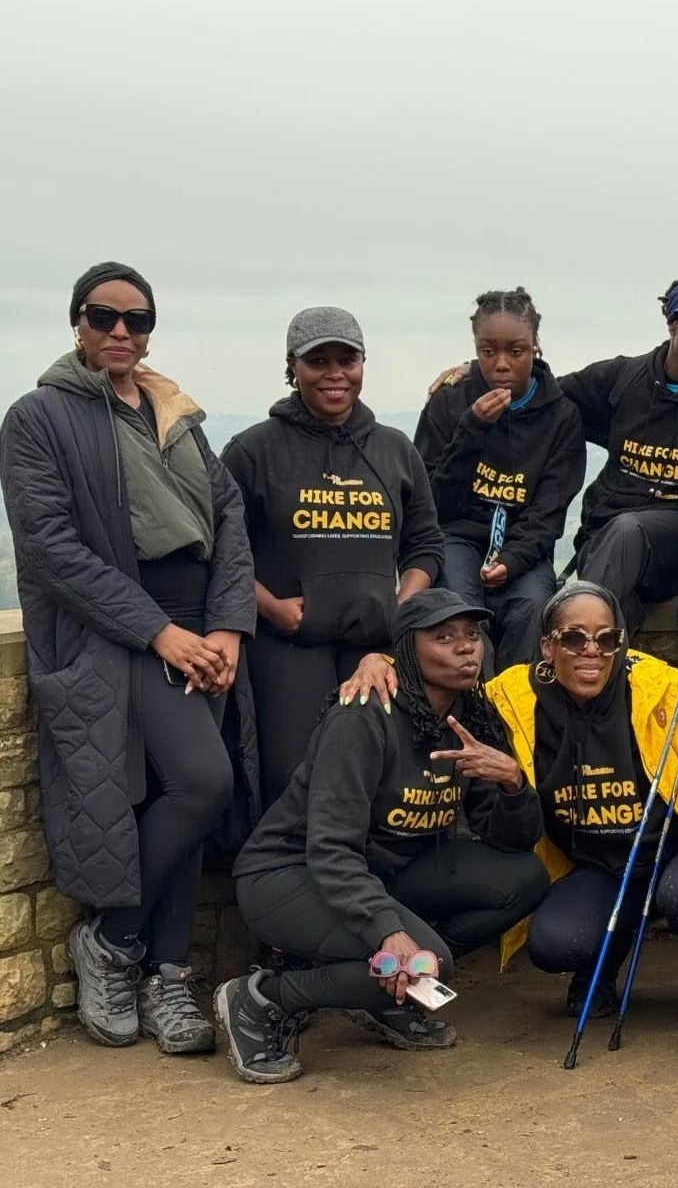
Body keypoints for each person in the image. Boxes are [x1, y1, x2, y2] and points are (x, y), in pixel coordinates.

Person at [0, 261, 256, 1055]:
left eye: (136, 319)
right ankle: (112, 940)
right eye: (102, 315)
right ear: (76, 322)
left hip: (199, 628)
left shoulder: (174, 410)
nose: (120, 331)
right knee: (204, 782)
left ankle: (166, 974)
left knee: (183, 796)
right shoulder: (39, 416)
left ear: (150, 330)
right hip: (122, 632)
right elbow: (51, 549)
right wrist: (159, 633)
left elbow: (228, 517)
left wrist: (228, 628)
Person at [340, 580, 678, 1033]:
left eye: (607, 639)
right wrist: (380, 661)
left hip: (677, 853)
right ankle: (602, 959)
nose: (592, 651)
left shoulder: (659, 686)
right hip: (598, 864)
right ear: (547, 646)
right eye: (574, 638)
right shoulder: (513, 695)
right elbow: (446, 678)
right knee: (556, 944)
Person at [216, 589, 551, 1084]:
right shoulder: (362, 716)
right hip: (289, 874)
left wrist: (513, 785)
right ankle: (264, 998)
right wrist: (386, 931)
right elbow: (330, 847)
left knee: (524, 878)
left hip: (384, 871)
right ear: (408, 652)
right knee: (431, 964)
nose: (467, 647)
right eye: (444, 638)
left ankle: (383, 987)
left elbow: (511, 842)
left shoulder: (472, 717)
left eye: (471, 635)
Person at [428, 272, 678, 636]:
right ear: (672, 321)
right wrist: (479, 371)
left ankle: (575, 637)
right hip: (603, 535)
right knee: (615, 588)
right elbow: (541, 394)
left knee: (627, 532)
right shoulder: (625, 378)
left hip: (673, 540)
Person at [221, 307, 445, 808]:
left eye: (347, 360)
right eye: (318, 361)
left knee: (380, 777)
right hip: (288, 643)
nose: (335, 374)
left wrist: (401, 607)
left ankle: (360, 861)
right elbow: (222, 549)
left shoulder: (394, 450)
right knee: (294, 776)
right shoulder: (253, 450)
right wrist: (271, 608)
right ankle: (284, 859)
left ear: (363, 363)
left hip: (375, 643)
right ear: (292, 367)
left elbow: (426, 543)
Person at [413, 289, 586, 670]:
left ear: (535, 346)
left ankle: (516, 701)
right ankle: (471, 699)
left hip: (523, 544)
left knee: (533, 607)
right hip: (456, 535)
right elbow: (431, 502)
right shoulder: (449, 401)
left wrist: (512, 558)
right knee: (460, 609)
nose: (501, 364)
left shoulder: (561, 417)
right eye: (488, 351)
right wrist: (473, 428)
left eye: (516, 351)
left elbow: (549, 510)